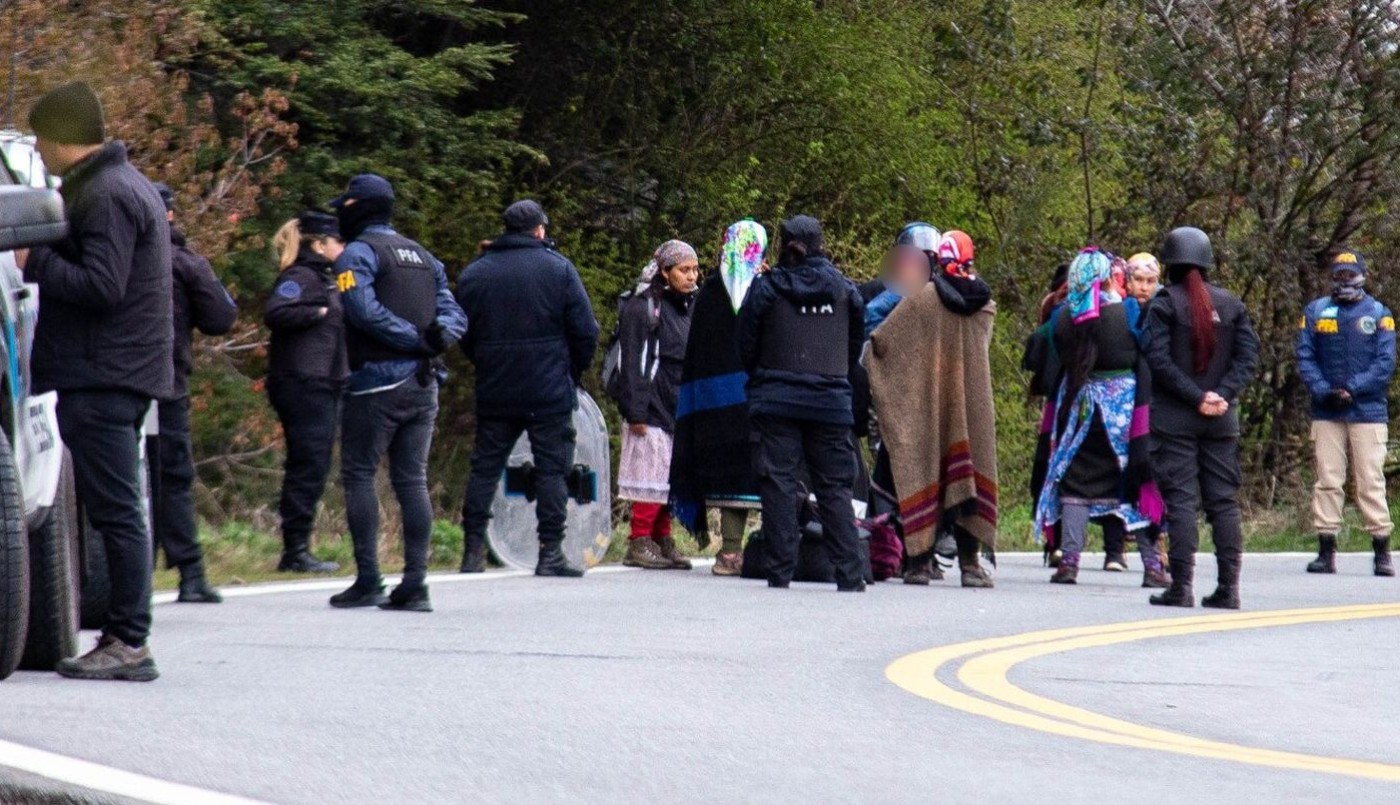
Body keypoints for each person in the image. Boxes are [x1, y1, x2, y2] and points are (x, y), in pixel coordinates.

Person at [22, 82, 170, 681]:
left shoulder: (106, 193)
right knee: (117, 509)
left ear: (62, 137)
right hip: (115, 371)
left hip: (106, 373)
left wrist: (36, 262)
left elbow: (103, 286)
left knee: (117, 512)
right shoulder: (118, 185)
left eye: (41, 138)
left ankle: (129, 641)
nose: (38, 148)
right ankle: (123, 636)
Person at [327, 175, 467, 612]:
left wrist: (411, 338)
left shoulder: (356, 254)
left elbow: (361, 310)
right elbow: (454, 312)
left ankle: (369, 579)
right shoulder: (423, 256)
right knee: (412, 480)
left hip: (376, 382)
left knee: (359, 474)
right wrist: (434, 339)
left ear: (356, 207)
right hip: (424, 384)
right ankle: (415, 584)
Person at [456, 200, 600, 578]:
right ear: (539, 230)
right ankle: (549, 552)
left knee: (485, 467)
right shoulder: (559, 269)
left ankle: (472, 550)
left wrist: (486, 362)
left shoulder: (476, 273)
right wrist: (571, 372)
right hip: (548, 389)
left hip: (496, 387)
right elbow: (586, 331)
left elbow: (462, 331)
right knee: (552, 470)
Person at [738, 215, 866, 592]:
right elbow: (853, 348)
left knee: (778, 484)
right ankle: (850, 574)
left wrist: (764, 379)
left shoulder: (766, 288)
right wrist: (833, 381)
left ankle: (779, 573)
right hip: (830, 401)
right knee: (835, 488)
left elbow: (745, 343)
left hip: (776, 399)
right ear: (821, 244)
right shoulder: (846, 290)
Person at [867, 230, 998, 588]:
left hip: (927, 407)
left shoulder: (922, 299)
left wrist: (881, 372)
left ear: (938, 259)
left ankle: (919, 566)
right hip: (971, 408)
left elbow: (883, 342)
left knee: (923, 475)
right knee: (969, 477)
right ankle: (971, 566)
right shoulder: (984, 305)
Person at [1032, 248, 1165, 586]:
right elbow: (1146, 354)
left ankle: (1069, 562)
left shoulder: (1063, 317)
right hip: (1123, 415)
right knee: (1135, 479)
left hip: (1079, 410)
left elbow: (1045, 354)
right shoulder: (1129, 312)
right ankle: (1152, 567)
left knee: (1075, 481)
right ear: (1108, 278)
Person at [1143, 226, 1259, 609]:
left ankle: (1181, 587)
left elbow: (1158, 360)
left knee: (1181, 502)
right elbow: (1247, 358)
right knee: (1223, 502)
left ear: (1169, 263)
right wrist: (1221, 394)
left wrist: (1196, 397)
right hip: (1221, 419)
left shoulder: (1163, 304)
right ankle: (1229, 588)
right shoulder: (1231, 305)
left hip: (1175, 420)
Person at [150, 182, 237, 604]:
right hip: (167, 383)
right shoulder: (184, 262)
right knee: (174, 477)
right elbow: (221, 317)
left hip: (108, 382)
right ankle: (191, 572)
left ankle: (124, 577)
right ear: (169, 214)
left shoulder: (103, 251)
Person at [671, 220, 769, 576]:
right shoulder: (764, 289)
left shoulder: (710, 292)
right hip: (757, 397)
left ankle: (729, 552)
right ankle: (770, 547)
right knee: (767, 472)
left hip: (714, 402)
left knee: (729, 473)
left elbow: (699, 352)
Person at [1296, 249, 1396, 577]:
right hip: (1326, 410)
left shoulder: (1379, 313)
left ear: (1362, 276)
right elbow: (1305, 357)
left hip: (1368, 411)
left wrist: (1352, 388)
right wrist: (1324, 390)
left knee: (1370, 481)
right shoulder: (1315, 311)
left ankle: (1381, 551)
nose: (1344, 281)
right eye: (1338, 275)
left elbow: (1385, 363)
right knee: (1327, 479)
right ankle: (1326, 550)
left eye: (1350, 275)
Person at [264, 211, 348, 574]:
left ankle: (297, 547)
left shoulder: (326, 277)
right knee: (308, 465)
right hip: (304, 382)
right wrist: (319, 312)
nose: (342, 247)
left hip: (320, 381)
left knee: (313, 464)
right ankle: (295, 550)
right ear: (318, 244)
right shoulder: (301, 277)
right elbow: (277, 312)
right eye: (338, 241)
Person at [615, 241, 698, 569]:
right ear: (665, 271)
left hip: (675, 401)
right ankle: (639, 540)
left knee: (668, 475)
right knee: (650, 472)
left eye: (694, 270)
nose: (691, 276)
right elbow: (634, 361)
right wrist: (636, 410)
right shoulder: (644, 306)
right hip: (649, 404)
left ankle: (662, 538)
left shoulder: (685, 305)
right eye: (683, 270)